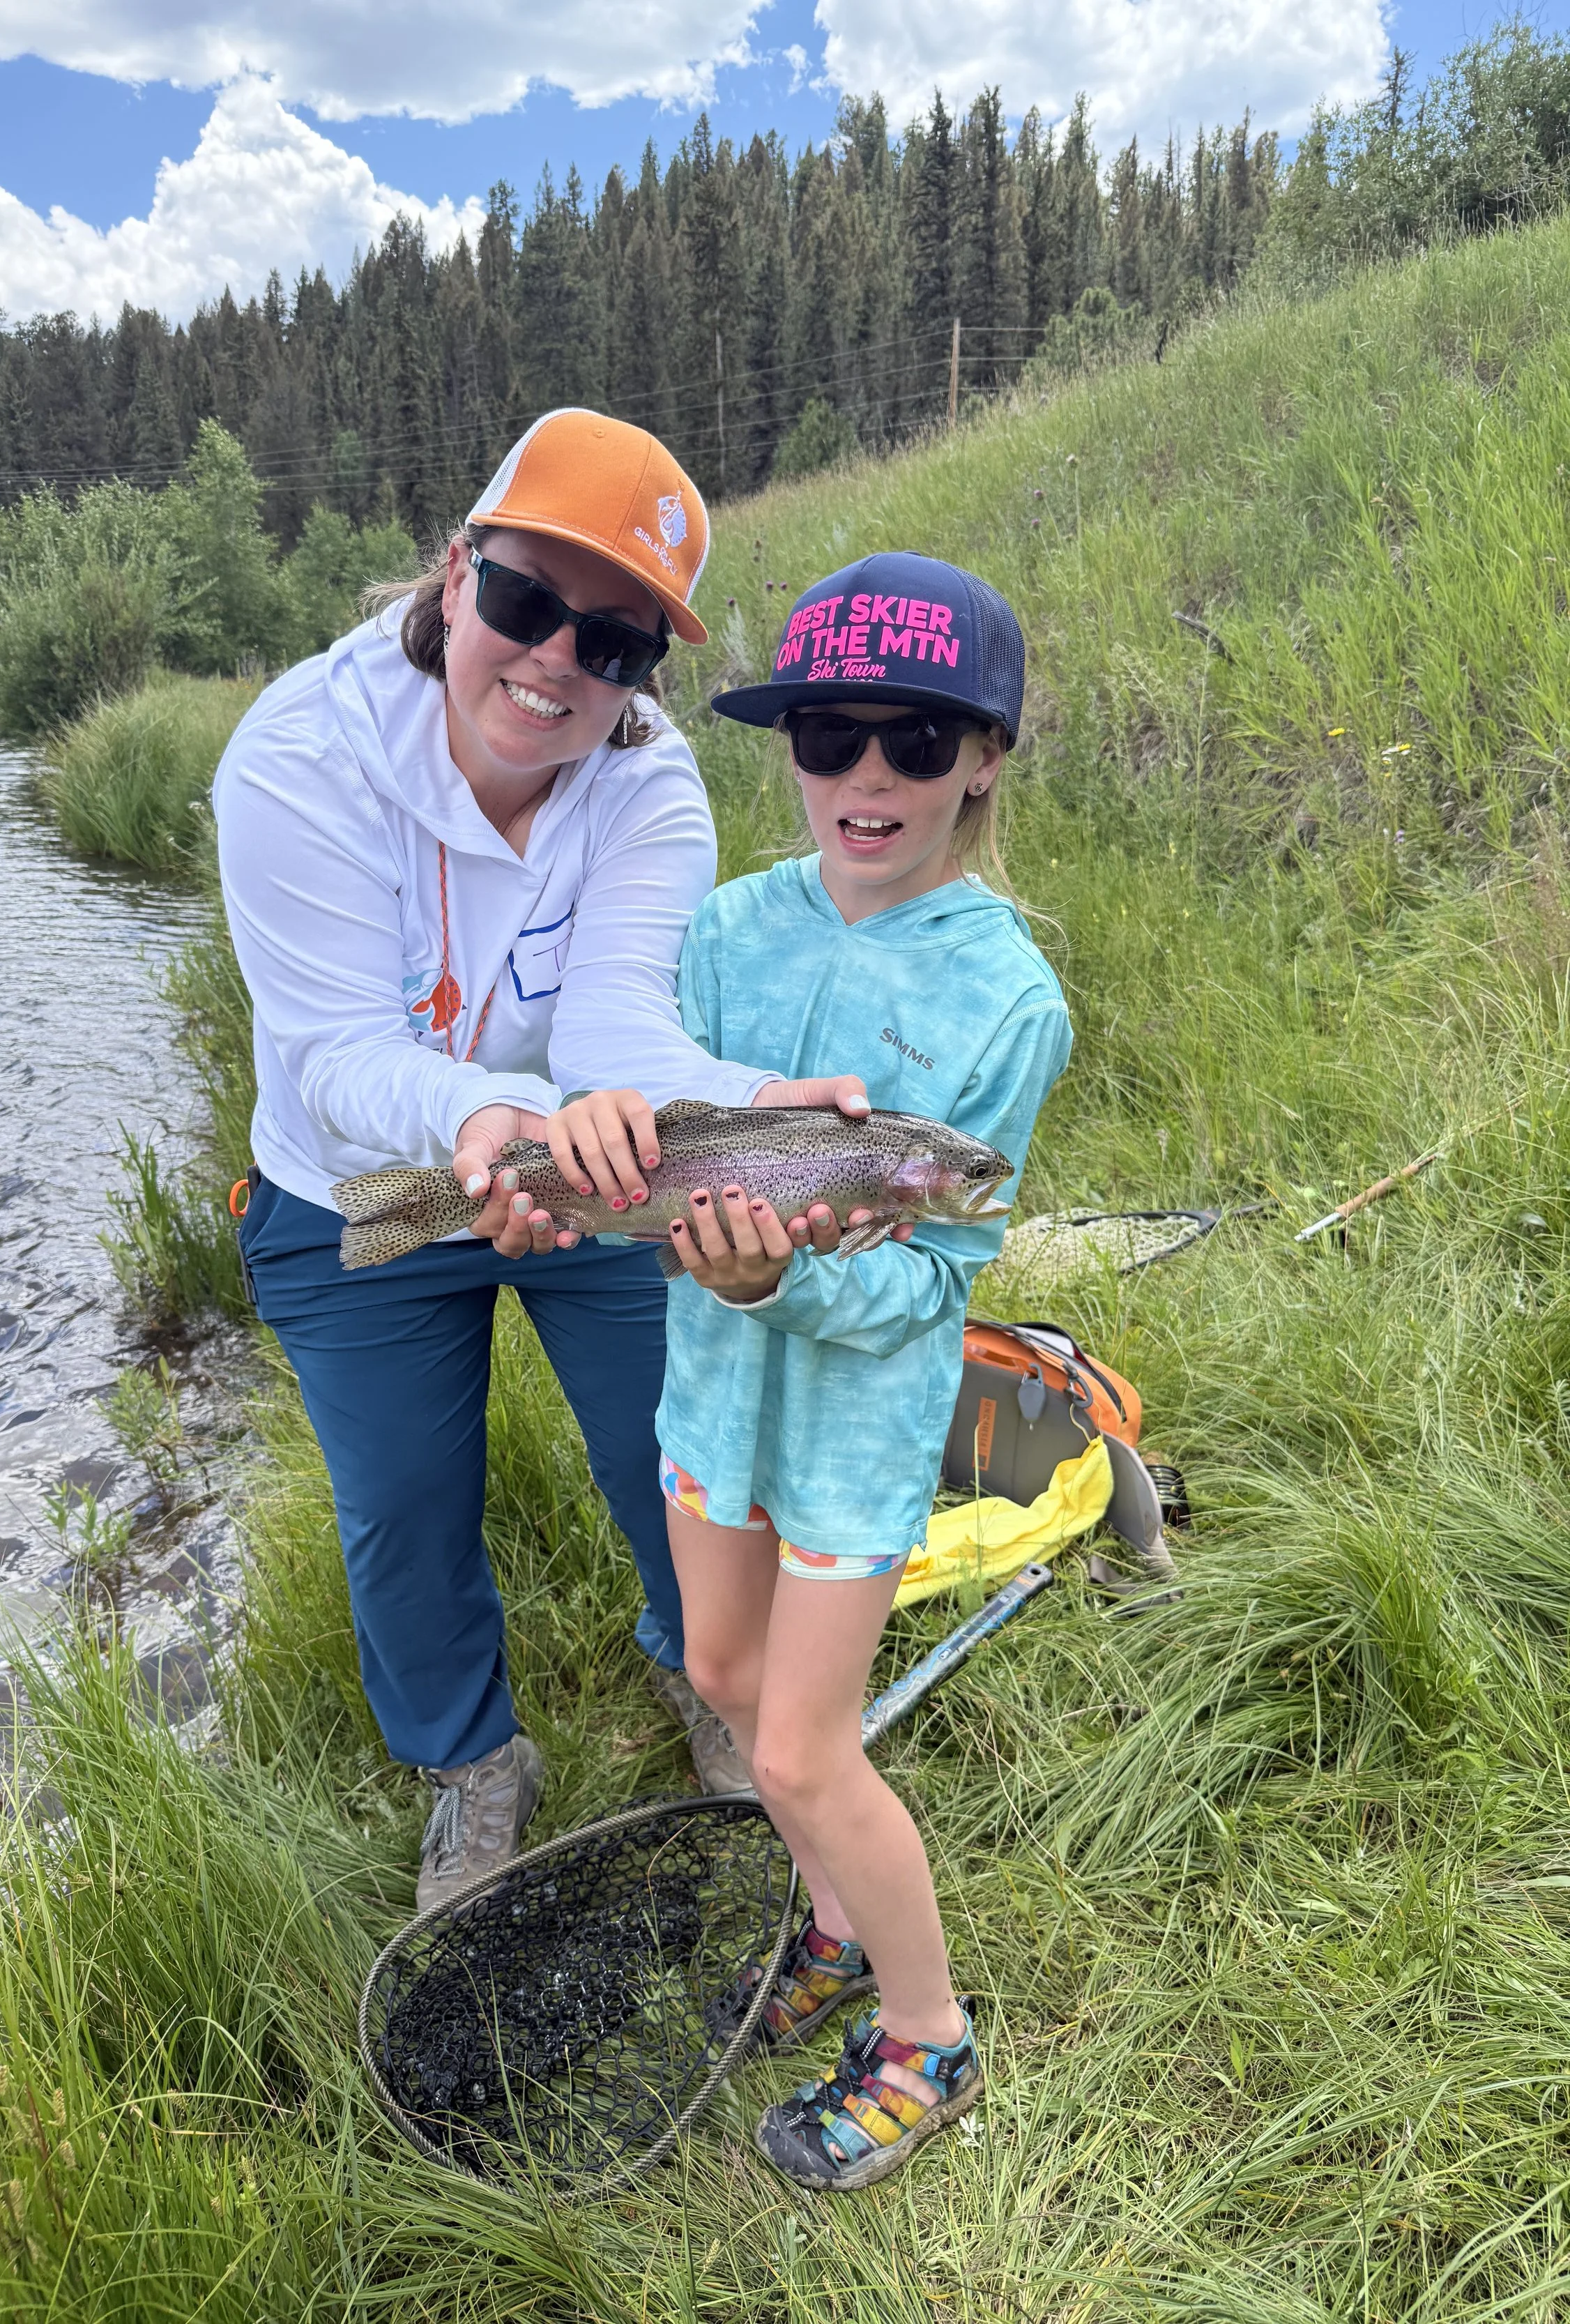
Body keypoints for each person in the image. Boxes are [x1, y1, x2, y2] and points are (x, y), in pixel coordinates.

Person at [213, 410, 869, 1910]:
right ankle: (470, 1766)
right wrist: (482, 1122)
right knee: (400, 1509)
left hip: (582, 1174)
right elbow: (331, 1053)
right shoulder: (297, 754)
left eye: (618, 644)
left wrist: (766, 1107)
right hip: (355, 1187)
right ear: (455, 576)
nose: (557, 661)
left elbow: (619, 1033)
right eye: (525, 602)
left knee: (679, 1448)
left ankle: (708, 1673)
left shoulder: (648, 786)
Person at [654, 552, 1073, 2189]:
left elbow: (926, 1288)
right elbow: (652, 1133)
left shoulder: (1004, 1000)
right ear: (791, 750)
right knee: (723, 1670)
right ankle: (826, 1912)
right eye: (830, 736)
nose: (869, 777)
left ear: (982, 757)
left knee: (800, 1748)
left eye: (917, 740)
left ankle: (926, 2031)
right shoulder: (718, 927)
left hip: (849, 1428)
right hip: (709, 1394)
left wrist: (782, 1289)